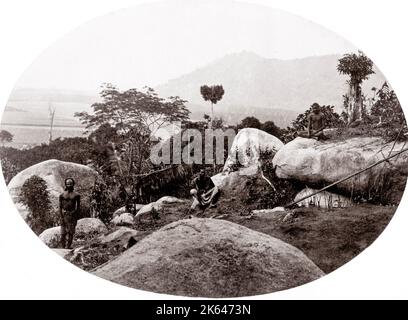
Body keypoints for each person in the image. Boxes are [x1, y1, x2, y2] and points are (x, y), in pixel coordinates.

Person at [59, 178, 81, 249]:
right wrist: (61, 217)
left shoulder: (76, 195)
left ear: (73, 184)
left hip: (72, 215)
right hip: (64, 215)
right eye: (68, 184)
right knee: (63, 233)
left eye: (70, 183)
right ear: (65, 184)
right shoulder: (62, 195)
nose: (69, 185)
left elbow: (78, 207)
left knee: (71, 233)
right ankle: (63, 247)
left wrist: (76, 216)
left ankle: (68, 247)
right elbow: (60, 207)